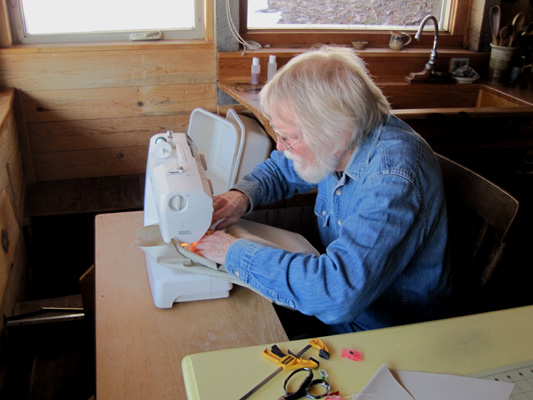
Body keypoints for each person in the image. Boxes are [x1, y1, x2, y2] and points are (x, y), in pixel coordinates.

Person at [195, 45, 452, 334]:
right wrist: (239, 197)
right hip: (345, 316)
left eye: (289, 137)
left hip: (385, 333)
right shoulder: (343, 142)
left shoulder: (392, 176)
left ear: (337, 133)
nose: (280, 146)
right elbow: (282, 167)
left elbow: (337, 294)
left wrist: (232, 252)